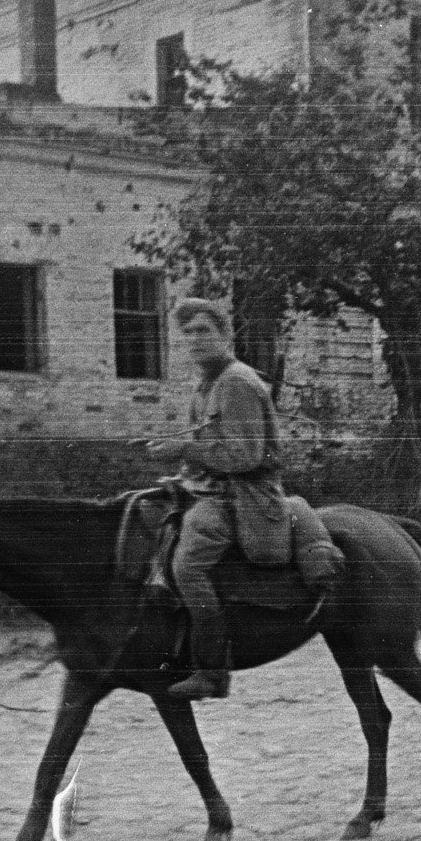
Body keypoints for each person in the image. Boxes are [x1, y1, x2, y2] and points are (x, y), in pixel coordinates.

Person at [144, 299, 282, 701]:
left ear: (226, 336)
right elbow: (204, 447)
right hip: (215, 488)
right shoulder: (207, 383)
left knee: (188, 564)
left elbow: (246, 456)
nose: (195, 340)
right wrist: (178, 469)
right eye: (188, 334)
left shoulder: (237, 381)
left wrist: (184, 450)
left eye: (204, 331)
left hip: (246, 494)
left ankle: (211, 670)